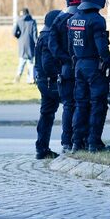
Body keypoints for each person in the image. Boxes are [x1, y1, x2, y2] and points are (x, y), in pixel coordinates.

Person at [68, 0, 110, 152]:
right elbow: (102, 47)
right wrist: (109, 63)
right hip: (94, 66)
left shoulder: (73, 19)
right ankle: (94, 142)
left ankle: (77, 142)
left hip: (79, 65)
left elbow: (70, 47)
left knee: (80, 104)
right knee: (98, 104)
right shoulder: (96, 20)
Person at [49, 0, 86, 152]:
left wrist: (64, 59)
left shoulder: (59, 20)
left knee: (68, 106)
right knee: (82, 104)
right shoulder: (85, 18)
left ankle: (66, 141)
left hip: (66, 69)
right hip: (82, 67)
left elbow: (52, 45)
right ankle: (80, 139)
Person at [32, 10, 63, 159]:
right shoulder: (49, 37)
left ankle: (42, 148)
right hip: (50, 82)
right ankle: (72, 144)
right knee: (73, 106)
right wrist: (59, 74)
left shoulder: (42, 35)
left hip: (43, 81)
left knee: (46, 114)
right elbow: (47, 63)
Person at [13, 7, 38, 84]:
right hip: (30, 44)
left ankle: (17, 77)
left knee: (21, 62)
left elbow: (14, 32)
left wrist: (19, 37)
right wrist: (37, 44)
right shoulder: (32, 22)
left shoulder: (19, 21)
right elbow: (34, 35)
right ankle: (31, 79)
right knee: (30, 63)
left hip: (22, 44)